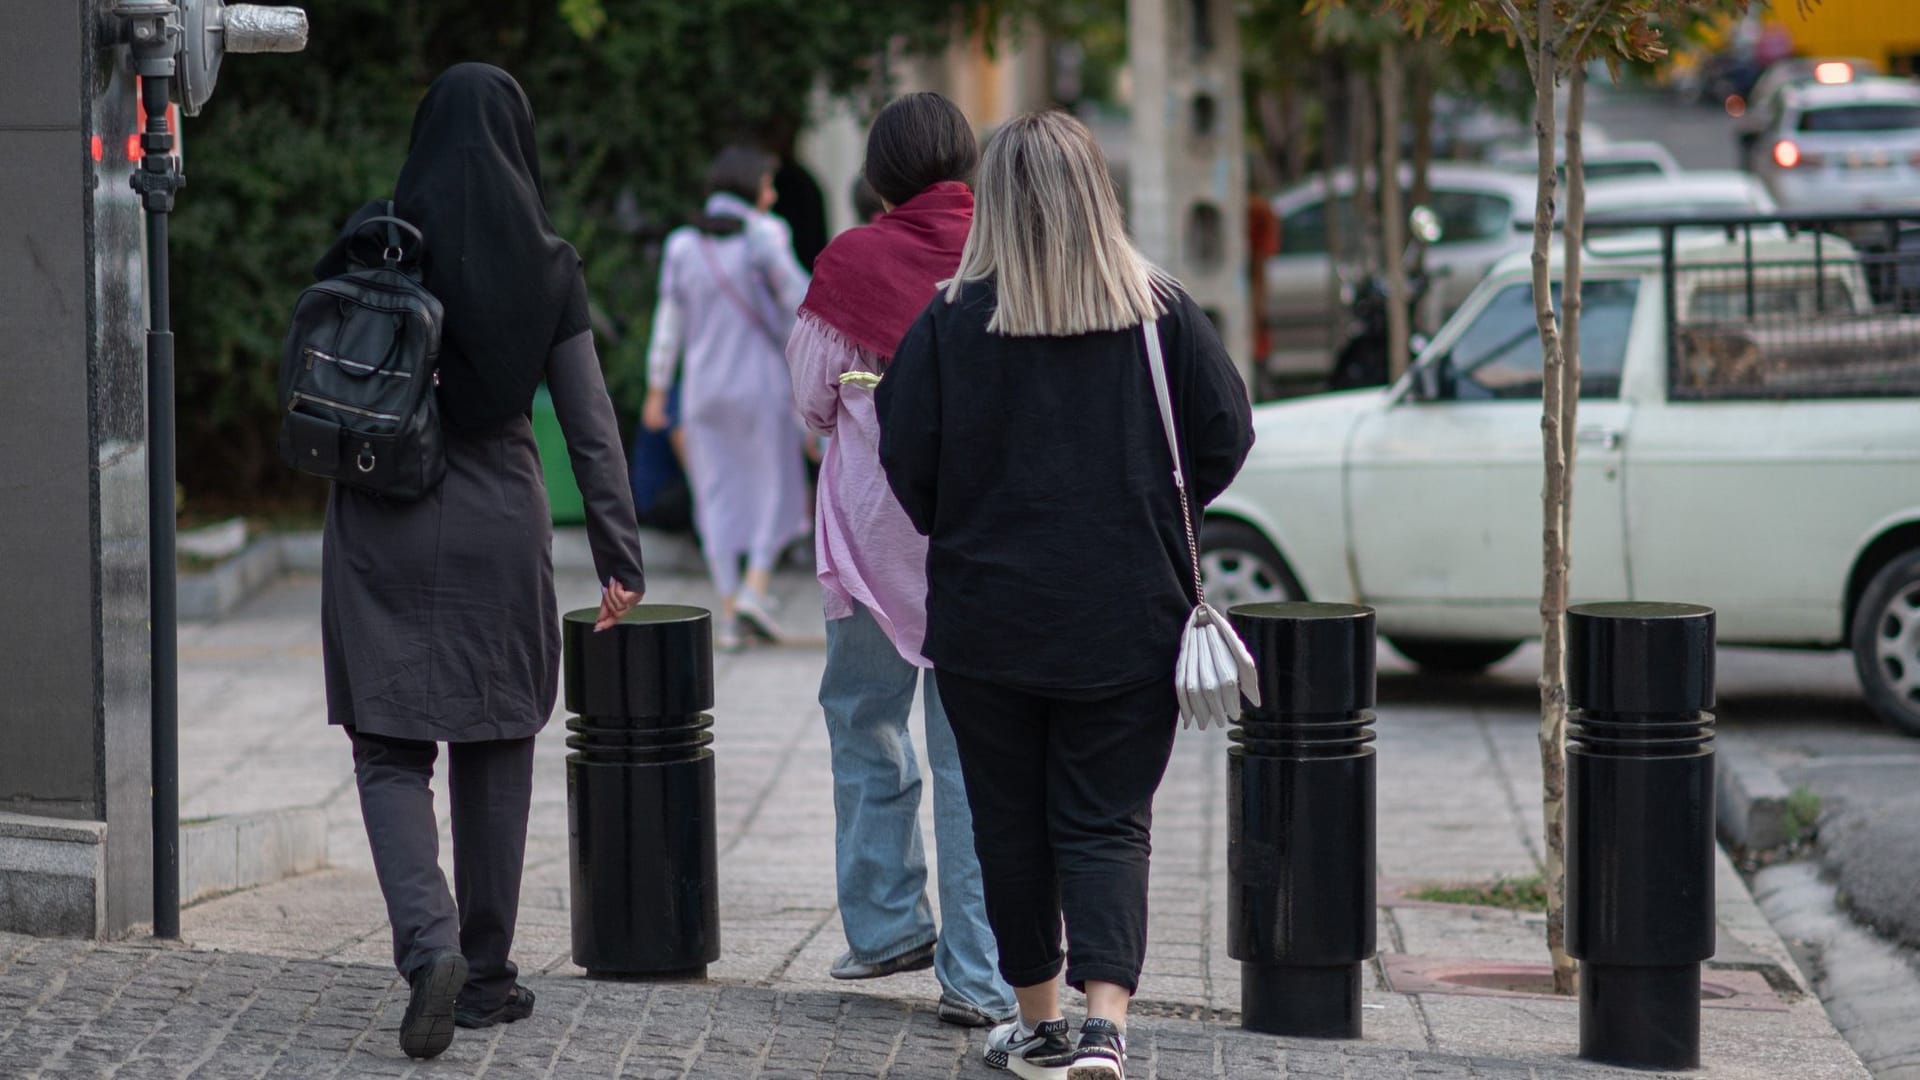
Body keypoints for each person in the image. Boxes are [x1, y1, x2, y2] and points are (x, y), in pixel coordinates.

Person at [876, 110, 1255, 1080]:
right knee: (1107, 819)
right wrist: (1146, 511)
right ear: (1100, 195)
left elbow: (904, 458)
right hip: (1129, 614)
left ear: (994, 201)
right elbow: (1225, 434)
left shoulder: (952, 321)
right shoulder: (1161, 314)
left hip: (988, 620)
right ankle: (1106, 1025)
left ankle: (1039, 1022)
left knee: (1007, 819)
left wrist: (967, 525)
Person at [316, 64, 645, 1061]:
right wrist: (618, 555)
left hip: (381, 513)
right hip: (501, 516)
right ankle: (488, 977)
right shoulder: (550, 265)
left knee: (388, 746)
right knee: (497, 738)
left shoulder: (378, 240)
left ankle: (430, 950)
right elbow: (589, 427)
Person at [785, 92, 1015, 1030]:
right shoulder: (1013, 253)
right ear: (968, 160)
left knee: (865, 720)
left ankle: (886, 927)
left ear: (879, 175)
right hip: (984, 546)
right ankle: (980, 975)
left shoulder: (850, 262)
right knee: (977, 760)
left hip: (875, 541)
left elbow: (809, 402)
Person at [643, 145, 812, 649]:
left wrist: (657, 388)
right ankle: (755, 588)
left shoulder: (681, 245)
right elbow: (799, 304)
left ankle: (730, 606)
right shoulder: (767, 236)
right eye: (767, 185)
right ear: (749, 188)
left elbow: (668, 323)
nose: (773, 195)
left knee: (711, 491)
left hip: (701, 389)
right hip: (761, 385)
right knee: (775, 485)